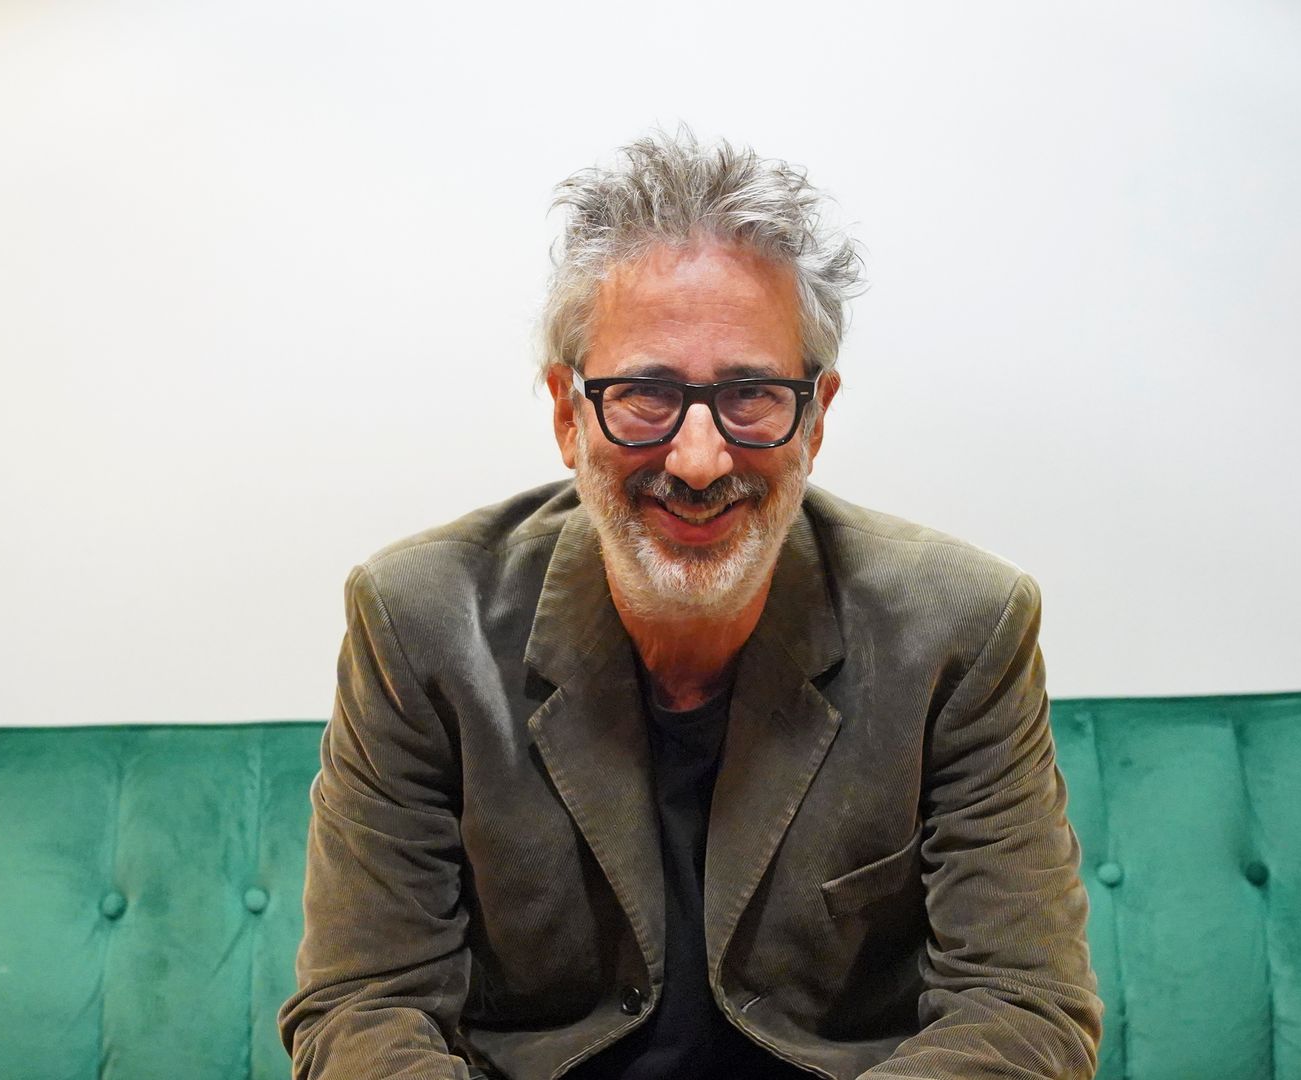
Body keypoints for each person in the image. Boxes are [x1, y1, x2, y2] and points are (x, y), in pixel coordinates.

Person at [278, 129, 1101, 1080]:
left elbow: (1023, 1009)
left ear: (818, 416)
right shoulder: (416, 622)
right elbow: (364, 1008)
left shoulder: (964, 627)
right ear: (565, 411)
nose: (699, 459)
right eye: (645, 396)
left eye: (751, 394)